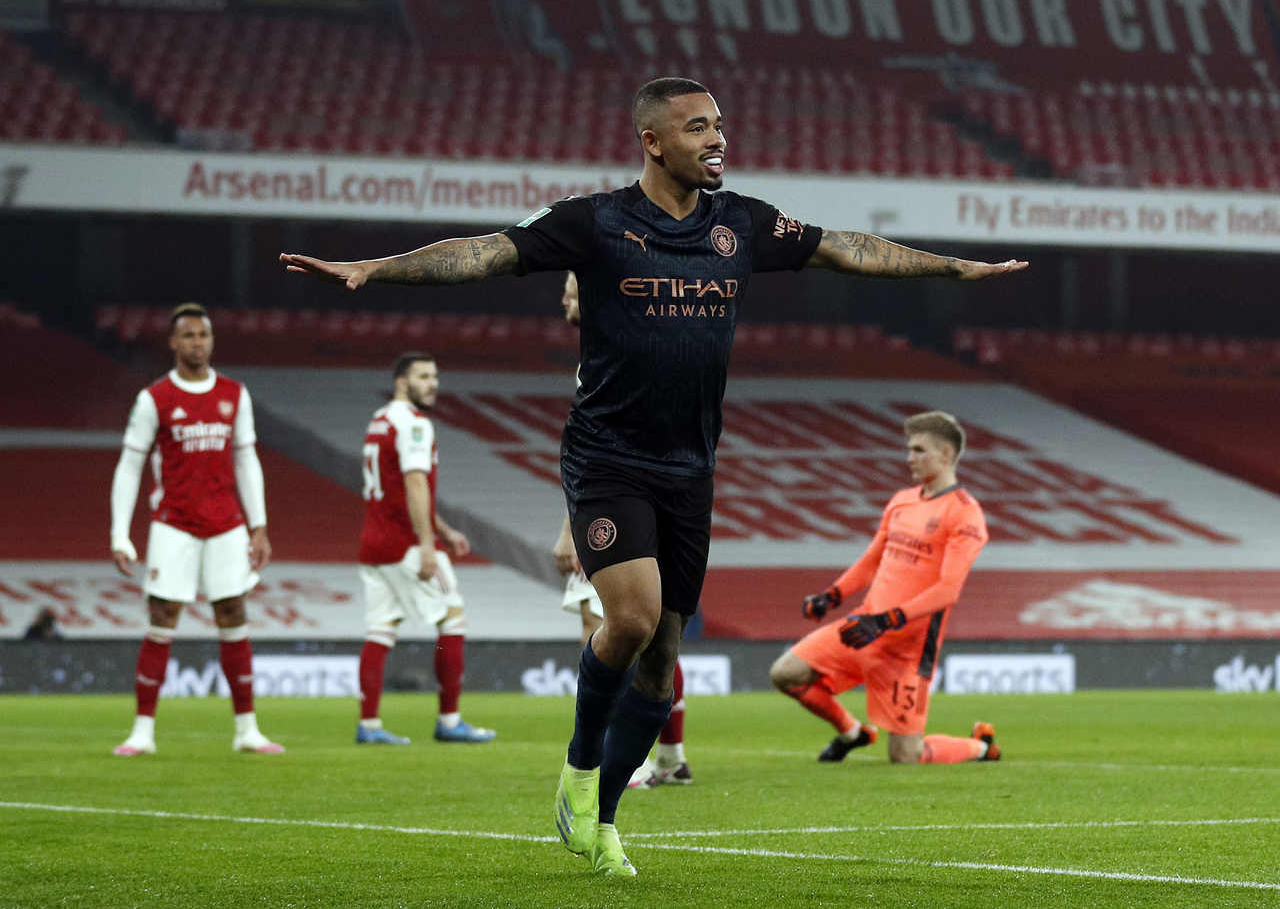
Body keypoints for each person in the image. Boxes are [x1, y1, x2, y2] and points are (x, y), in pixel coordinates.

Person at [280, 76, 1026, 877]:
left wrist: (952, 271)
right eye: (699, 127)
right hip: (607, 457)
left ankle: (601, 819)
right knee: (631, 619)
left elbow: (847, 246)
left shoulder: (739, 222)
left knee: (663, 659)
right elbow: (484, 253)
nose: (717, 140)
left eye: (720, 127)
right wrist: (375, 269)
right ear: (654, 141)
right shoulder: (594, 223)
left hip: (689, 469)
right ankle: (577, 767)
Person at [770, 411, 1001, 765]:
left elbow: (947, 591)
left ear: (945, 454)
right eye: (909, 449)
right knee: (786, 674)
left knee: (906, 756)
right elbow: (872, 560)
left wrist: (886, 620)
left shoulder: (964, 514)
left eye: (919, 450)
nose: (909, 457)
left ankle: (981, 746)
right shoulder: (902, 500)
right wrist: (832, 596)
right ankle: (853, 732)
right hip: (863, 627)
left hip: (906, 648)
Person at [109, 302, 283, 756]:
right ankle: (142, 731)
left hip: (227, 525)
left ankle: (247, 729)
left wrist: (259, 526)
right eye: (188, 336)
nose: (197, 343)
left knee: (233, 615)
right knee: (162, 618)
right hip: (174, 524)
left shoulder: (234, 394)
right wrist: (119, 532)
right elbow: (130, 466)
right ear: (173, 342)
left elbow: (247, 459)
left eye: (203, 335)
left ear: (211, 340)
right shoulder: (155, 399)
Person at [552, 273, 690, 790]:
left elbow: (604, 460)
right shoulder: (611, 352)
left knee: (614, 631)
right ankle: (670, 754)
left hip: (624, 515)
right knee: (655, 638)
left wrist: (570, 530)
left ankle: (621, 759)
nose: (563, 299)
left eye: (570, 290)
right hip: (652, 503)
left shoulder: (614, 358)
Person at [355, 352, 495, 746]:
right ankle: (449, 720)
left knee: (380, 628)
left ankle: (369, 725)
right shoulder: (414, 425)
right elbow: (415, 484)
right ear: (402, 381)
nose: (433, 384)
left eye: (435, 376)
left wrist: (444, 529)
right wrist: (428, 546)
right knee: (452, 617)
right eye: (423, 376)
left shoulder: (379, 420)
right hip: (403, 544)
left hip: (373, 541)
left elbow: (398, 490)